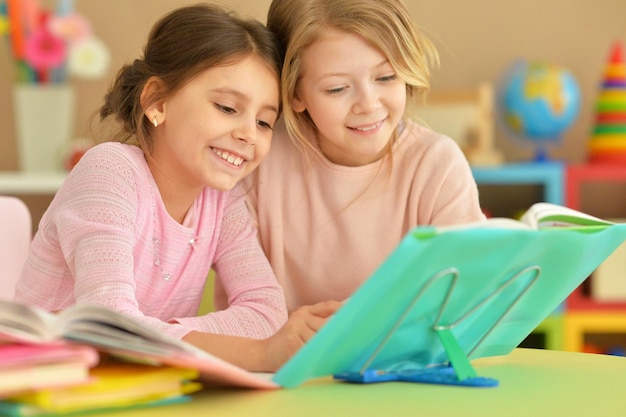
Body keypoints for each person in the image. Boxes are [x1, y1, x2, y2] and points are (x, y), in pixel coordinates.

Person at [14, 4, 337, 372]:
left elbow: (266, 314)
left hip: (139, 382)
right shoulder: (109, 172)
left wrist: (153, 334)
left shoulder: (222, 201)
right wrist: (257, 354)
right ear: (156, 102)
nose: (249, 133)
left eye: (264, 122)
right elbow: (106, 326)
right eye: (228, 107)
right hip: (46, 383)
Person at [234, 0, 486, 313]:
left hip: (403, 361)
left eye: (386, 78)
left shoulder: (437, 165)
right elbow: (243, 303)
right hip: (272, 361)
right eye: (337, 88)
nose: (368, 105)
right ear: (295, 92)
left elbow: (467, 296)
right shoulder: (258, 158)